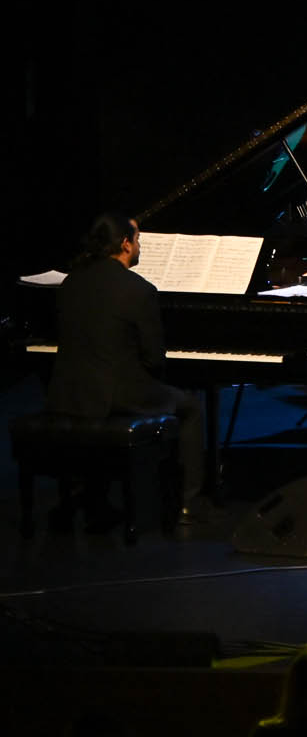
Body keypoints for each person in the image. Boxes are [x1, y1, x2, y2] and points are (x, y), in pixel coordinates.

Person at [45, 212, 212, 525]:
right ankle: (188, 504)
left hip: (70, 393)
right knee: (190, 407)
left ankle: (94, 495)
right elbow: (154, 360)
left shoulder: (71, 282)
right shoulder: (138, 289)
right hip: (115, 397)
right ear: (125, 244)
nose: (139, 246)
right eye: (137, 240)